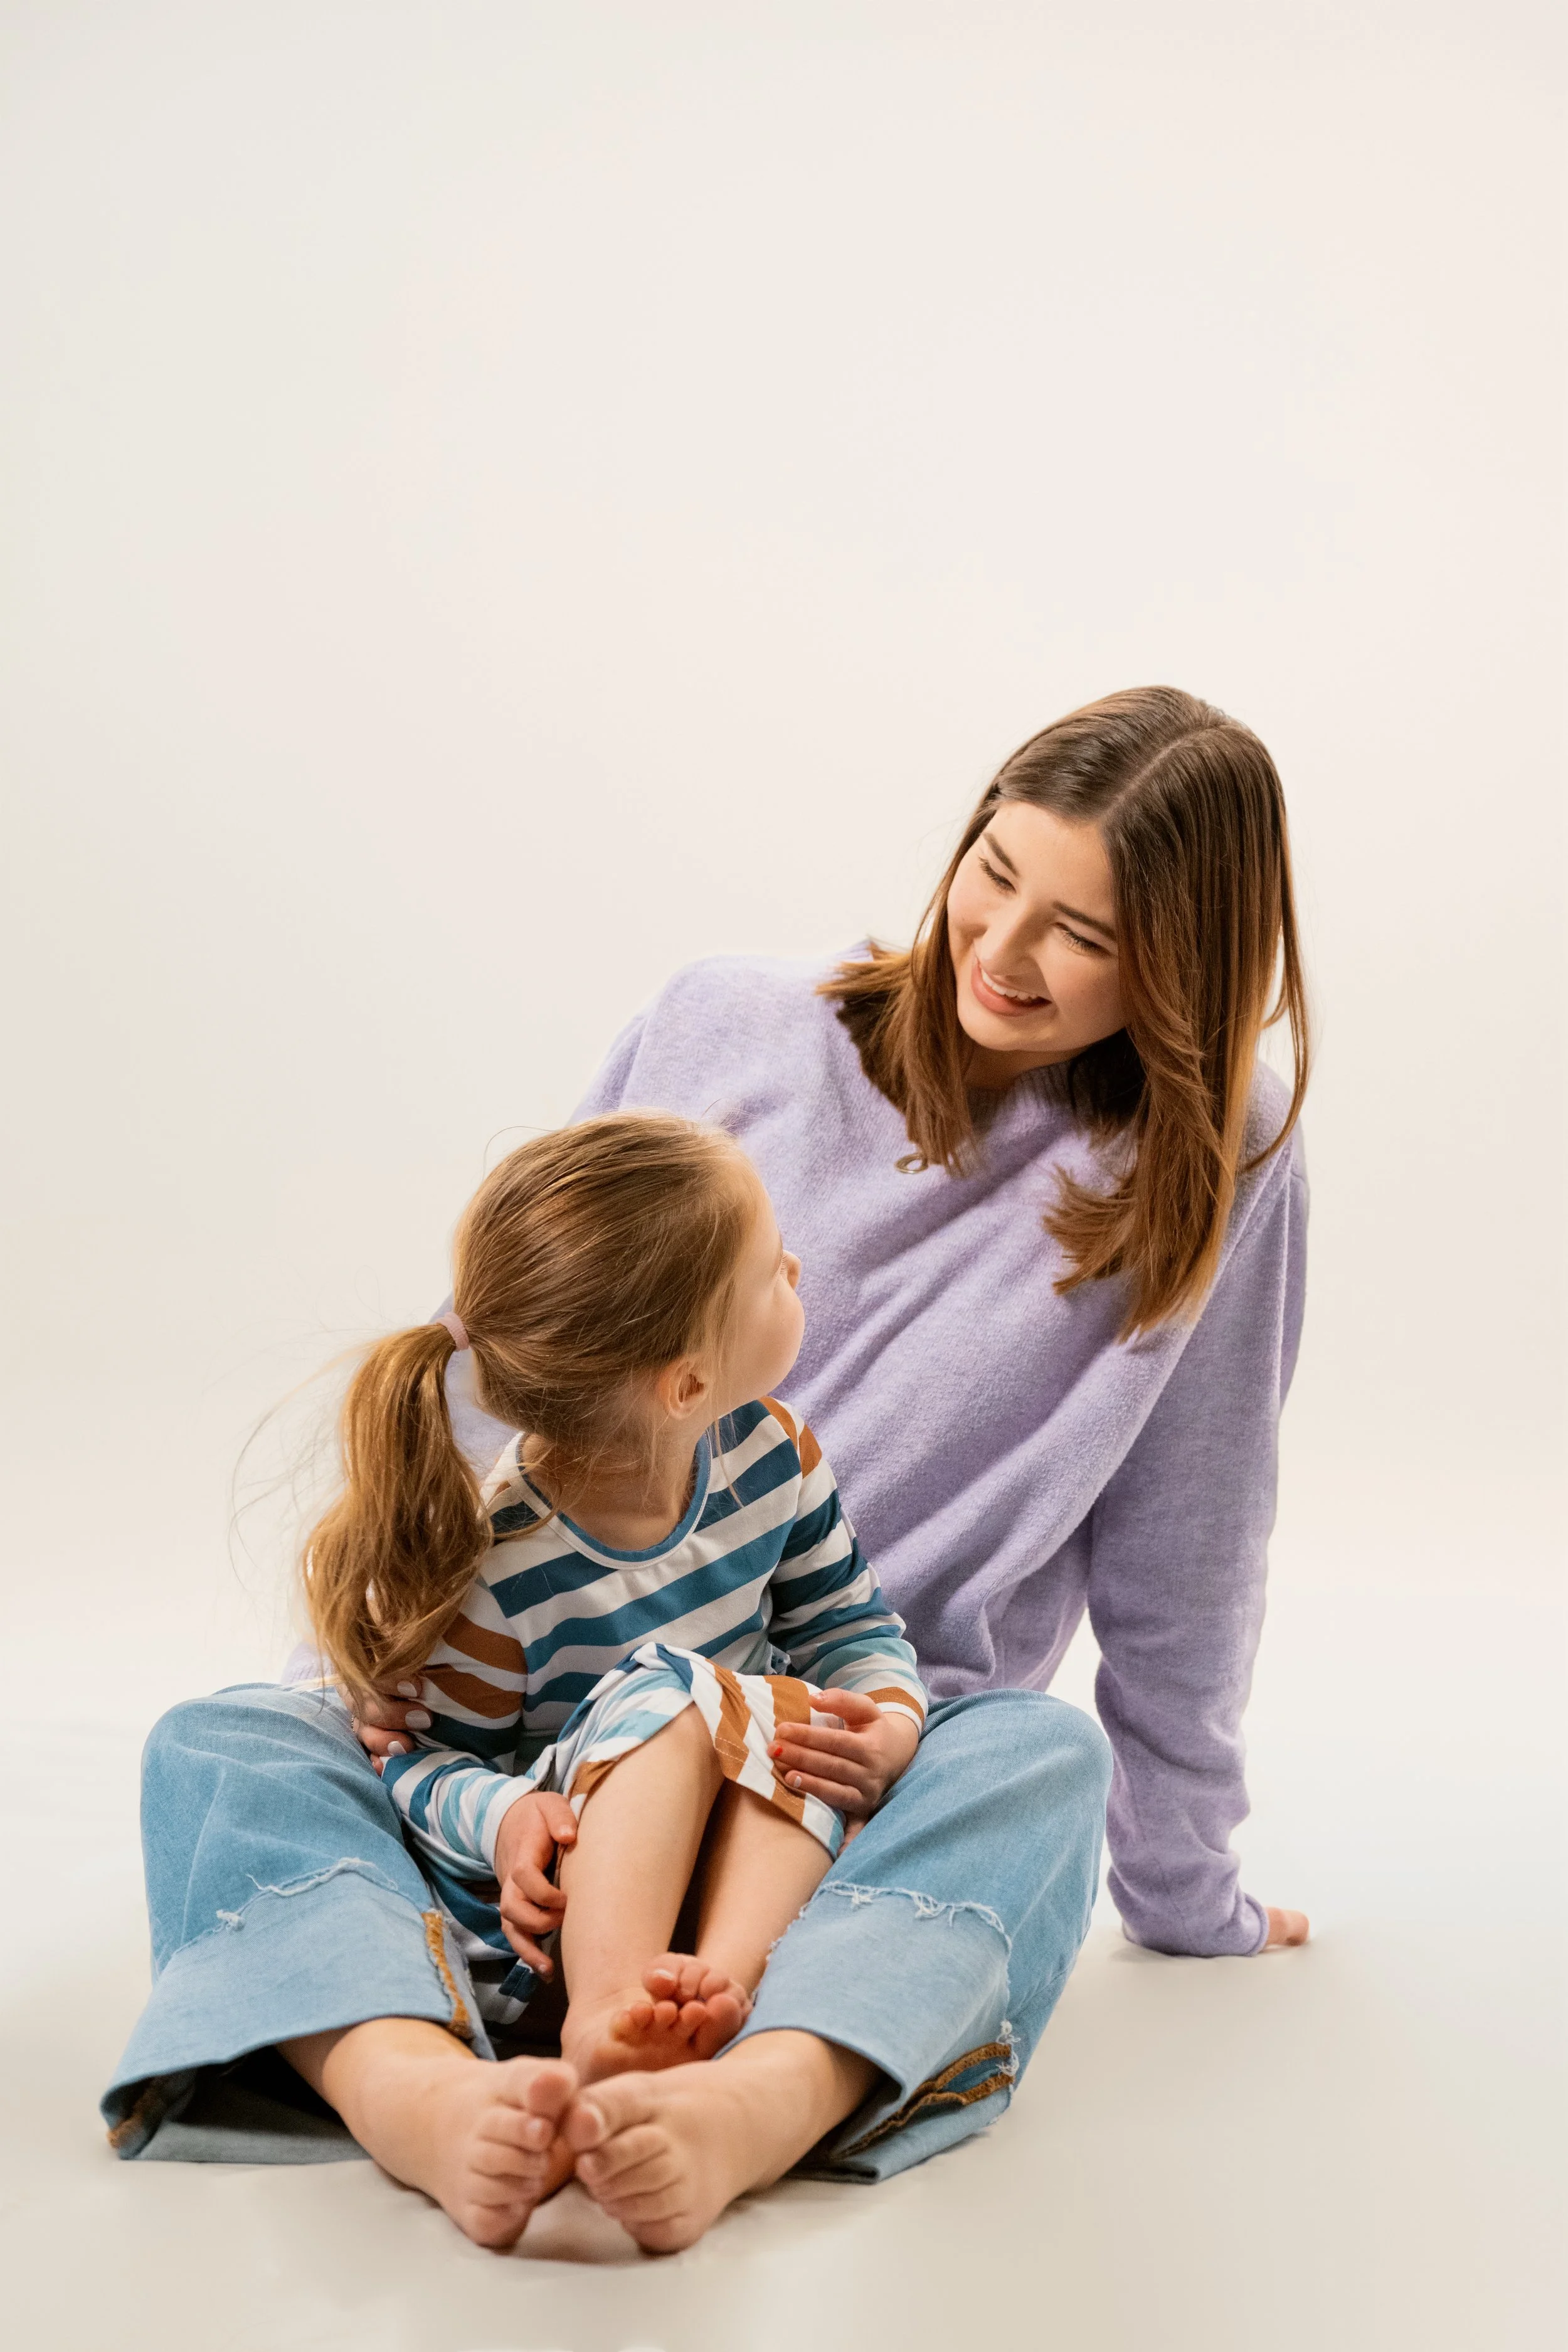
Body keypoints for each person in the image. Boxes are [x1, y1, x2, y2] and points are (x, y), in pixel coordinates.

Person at [106, 681, 1304, 2252]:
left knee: (1035, 1761)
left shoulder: (1220, 1152)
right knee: (225, 1746)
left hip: (815, 1793)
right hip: (522, 1771)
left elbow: (1187, 1550)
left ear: (1190, 961)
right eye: (993, 874)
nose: (1001, 952)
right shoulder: (727, 1023)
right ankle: (414, 2087)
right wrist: (373, 1661)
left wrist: (1181, 1886)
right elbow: (496, 1351)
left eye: (1082, 932)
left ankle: (755, 2092)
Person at [297, 1112, 928, 2176]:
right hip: (558, 1918)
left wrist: (893, 1723)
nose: (798, 1269)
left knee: (794, 1712)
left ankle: (713, 2000)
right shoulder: (501, 1560)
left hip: (729, 1876)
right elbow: (414, 1762)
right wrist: (502, 1815)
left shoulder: (775, 1455)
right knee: (684, 1693)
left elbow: (850, 1626)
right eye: (773, 1272)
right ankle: (610, 2011)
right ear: (684, 1383)